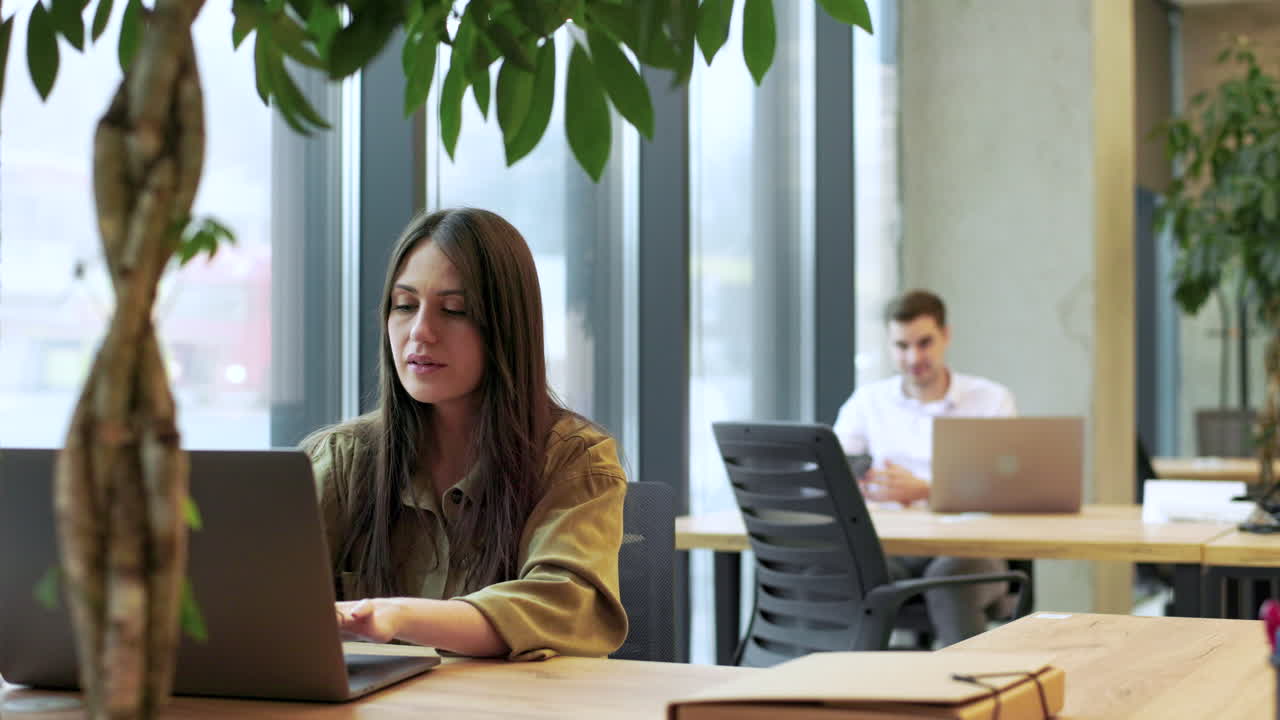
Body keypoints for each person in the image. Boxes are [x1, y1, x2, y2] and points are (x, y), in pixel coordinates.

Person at [302, 208, 628, 661]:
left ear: (506, 328)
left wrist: (398, 616)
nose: (420, 332)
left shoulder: (574, 458)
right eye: (405, 305)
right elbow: (259, 596)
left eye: (454, 310)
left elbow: (565, 607)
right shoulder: (340, 459)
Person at [832, 289, 1015, 647]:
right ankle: (850, 693)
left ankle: (965, 694)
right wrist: (856, 481)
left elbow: (1009, 485)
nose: (913, 357)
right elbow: (833, 470)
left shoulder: (991, 400)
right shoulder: (868, 402)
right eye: (901, 346)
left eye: (924, 343)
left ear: (946, 335)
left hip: (970, 548)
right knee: (848, 577)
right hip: (893, 543)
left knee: (950, 579)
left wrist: (928, 489)